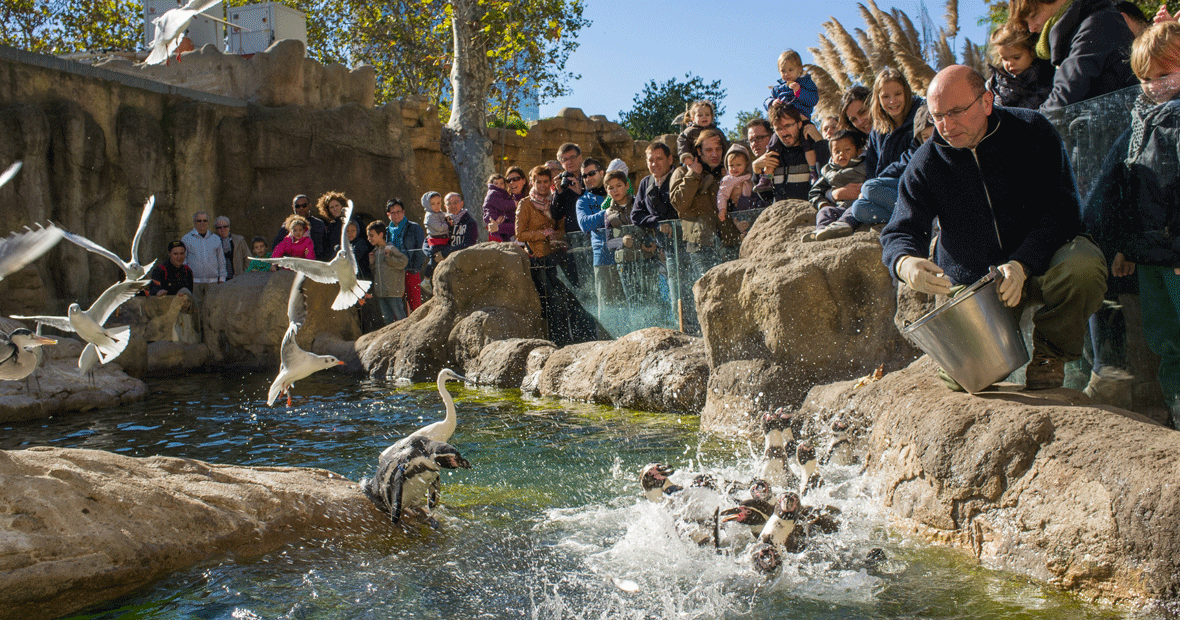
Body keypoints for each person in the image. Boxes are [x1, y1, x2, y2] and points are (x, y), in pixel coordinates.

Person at [880, 65, 1107, 391]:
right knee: (964, 380)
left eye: (956, 111)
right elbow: (900, 230)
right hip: (979, 284)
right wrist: (905, 262)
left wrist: (1022, 263)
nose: (946, 126)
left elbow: (1064, 211)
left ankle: (1049, 354)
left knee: (1083, 266)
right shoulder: (925, 163)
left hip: (1043, 262)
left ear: (986, 101)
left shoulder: (1032, 129)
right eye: (937, 116)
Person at [1099, 21, 1180, 421]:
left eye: (1165, 74)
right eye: (1145, 78)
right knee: (1165, 341)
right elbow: (1135, 191)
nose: (1154, 86)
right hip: (1151, 254)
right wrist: (1127, 248)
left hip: (1175, 252)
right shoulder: (1142, 121)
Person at [826, 68, 924, 237]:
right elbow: (872, 166)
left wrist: (879, 181)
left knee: (870, 188)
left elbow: (916, 154)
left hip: (915, 184)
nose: (892, 101)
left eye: (897, 94)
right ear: (878, 99)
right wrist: (833, 193)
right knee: (859, 208)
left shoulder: (921, 115)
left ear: (906, 92)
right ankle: (910, 217)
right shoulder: (878, 130)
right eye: (886, 97)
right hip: (889, 191)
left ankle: (921, 216)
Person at [1011, 0, 1136, 112]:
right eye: (1026, 23)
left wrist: (1032, 125)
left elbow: (1065, 97)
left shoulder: (1096, 23)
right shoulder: (1071, 33)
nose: (1031, 28)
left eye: (1034, 16)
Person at [670, 128, 726, 334]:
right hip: (699, 245)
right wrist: (694, 174)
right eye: (708, 149)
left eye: (718, 149)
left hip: (726, 241)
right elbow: (679, 204)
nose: (714, 154)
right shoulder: (682, 172)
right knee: (709, 295)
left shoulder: (727, 170)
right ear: (699, 152)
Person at [575, 157, 620, 332]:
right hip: (603, 259)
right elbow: (585, 224)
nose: (588, 178)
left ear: (602, 173)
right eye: (584, 176)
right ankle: (605, 350)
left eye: (592, 173)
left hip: (627, 255)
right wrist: (607, 212)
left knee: (628, 303)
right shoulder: (584, 200)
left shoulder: (618, 189)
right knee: (607, 309)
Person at [804, 130, 868, 242]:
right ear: (832, 156)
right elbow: (815, 191)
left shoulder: (865, 165)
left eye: (847, 150)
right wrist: (823, 203)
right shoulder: (829, 171)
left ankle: (843, 225)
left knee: (855, 208)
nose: (841, 154)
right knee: (825, 211)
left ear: (858, 151)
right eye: (836, 151)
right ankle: (821, 230)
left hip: (859, 205)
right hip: (840, 207)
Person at [764, 49, 820, 175]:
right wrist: (772, 103)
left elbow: (813, 99)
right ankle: (767, 176)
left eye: (790, 70)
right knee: (772, 146)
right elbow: (766, 100)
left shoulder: (806, 83)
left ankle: (813, 171)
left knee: (808, 145)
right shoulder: (779, 88)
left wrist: (799, 92)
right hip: (784, 124)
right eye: (783, 71)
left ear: (799, 69)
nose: (786, 74)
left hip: (802, 120)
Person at [751, 102, 812, 202]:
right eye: (779, 129)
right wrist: (756, 171)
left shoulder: (811, 154)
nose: (784, 133)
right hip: (782, 215)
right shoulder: (774, 157)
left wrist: (820, 142)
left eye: (788, 126)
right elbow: (768, 197)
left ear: (799, 124)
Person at [986, 23, 1056, 109]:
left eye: (1016, 57)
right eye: (1004, 59)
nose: (1009, 64)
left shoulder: (1047, 74)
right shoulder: (996, 85)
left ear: (1031, 52)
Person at [366, 221, 410, 325]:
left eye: (371, 235)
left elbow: (404, 262)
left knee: (400, 317)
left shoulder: (390, 248)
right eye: (368, 236)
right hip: (381, 293)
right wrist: (372, 263)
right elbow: (377, 272)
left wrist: (389, 257)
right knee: (387, 319)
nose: (369, 238)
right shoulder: (375, 251)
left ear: (380, 234)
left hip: (393, 292)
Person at [386, 199, 425, 312]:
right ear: (388, 215)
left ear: (403, 212)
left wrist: (414, 268)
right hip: (394, 273)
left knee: (415, 305)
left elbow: (420, 250)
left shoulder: (414, 228)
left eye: (399, 211)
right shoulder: (387, 231)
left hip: (410, 271)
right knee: (396, 307)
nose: (396, 215)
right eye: (393, 212)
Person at [182, 210, 225, 305]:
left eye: (204, 220)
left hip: (213, 282)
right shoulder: (186, 239)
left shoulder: (215, 239)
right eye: (199, 220)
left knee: (213, 307)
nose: (202, 223)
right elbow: (184, 261)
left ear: (208, 222)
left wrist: (222, 279)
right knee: (196, 308)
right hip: (194, 283)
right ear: (194, 222)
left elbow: (221, 260)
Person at [274, 195, 327, 260]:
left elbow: (326, 246)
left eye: (304, 205)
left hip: (316, 263)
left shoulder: (319, 224)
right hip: (293, 265)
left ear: (309, 205)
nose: (301, 208)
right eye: (297, 206)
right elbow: (276, 247)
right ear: (293, 207)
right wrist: (291, 258)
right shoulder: (288, 225)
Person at [677, 100, 727, 164]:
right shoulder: (690, 131)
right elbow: (682, 142)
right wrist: (685, 156)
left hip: (714, 162)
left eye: (707, 114)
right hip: (694, 161)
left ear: (712, 117)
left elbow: (725, 146)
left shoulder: (717, 132)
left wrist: (724, 162)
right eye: (700, 115)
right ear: (693, 118)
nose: (704, 117)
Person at [439, 192, 478, 259]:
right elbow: (430, 238)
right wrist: (431, 252)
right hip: (444, 259)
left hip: (464, 259)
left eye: (455, 202)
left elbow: (469, 244)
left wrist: (445, 253)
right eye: (449, 204)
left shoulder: (470, 223)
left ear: (461, 204)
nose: (453, 206)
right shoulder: (441, 221)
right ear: (445, 207)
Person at [484, 171, 519, 242]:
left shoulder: (501, 193)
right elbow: (502, 205)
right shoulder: (493, 193)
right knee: (503, 226)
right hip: (493, 216)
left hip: (498, 216)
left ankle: (508, 238)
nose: (499, 185)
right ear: (491, 184)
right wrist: (514, 203)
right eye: (496, 183)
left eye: (501, 183)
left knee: (503, 230)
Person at [421, 190, 449, 278]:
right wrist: (447, 224)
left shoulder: (438, 213)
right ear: (428, 205)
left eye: (438, 203)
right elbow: (439, 227)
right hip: (436, 242)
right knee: (434, 260)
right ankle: (427, 278)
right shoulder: (429, 216)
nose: (436, 206)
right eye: (433, 204)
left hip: (443, 240)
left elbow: (444, 216)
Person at [317, 191, 352, 259]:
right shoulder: (331, 226)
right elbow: (329, 248)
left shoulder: (352, 220)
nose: (335, 209)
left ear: (342, 206)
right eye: (331, 207)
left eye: (337, 205)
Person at [213, 216, 248, 280]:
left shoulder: (239, 240)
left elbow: (247, 258)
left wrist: (244, 274)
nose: (222, 229)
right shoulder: (213, 243)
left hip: (238, 278)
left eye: (225, 226)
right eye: (219, 227)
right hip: (221, 279)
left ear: (229, 227)